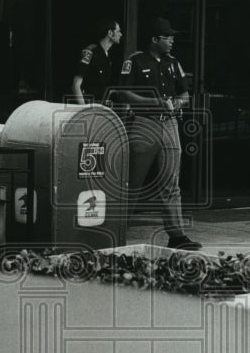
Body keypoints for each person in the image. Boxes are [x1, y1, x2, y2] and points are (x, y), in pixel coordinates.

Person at [117, 17, 201, 251]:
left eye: (172, 37)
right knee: (133, 181)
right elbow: (123, 93)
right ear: (155, 39)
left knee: (171, 182)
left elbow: (185, 95)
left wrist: (176, 103)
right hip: (144, 123)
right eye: (168, 37)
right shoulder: (134, 61)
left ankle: (177, 235)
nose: (172, 41)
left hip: (170, 124)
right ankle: (115, 231)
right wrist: (153, 102)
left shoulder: (173, 63)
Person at [71, 17, 122, 104]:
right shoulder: (90, 52)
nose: (121, 34)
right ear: (110, 33)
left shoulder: (107, 56)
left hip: (100, 108)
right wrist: (84, 110)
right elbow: (76, 85)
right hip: (88, 107)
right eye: (118, 31)